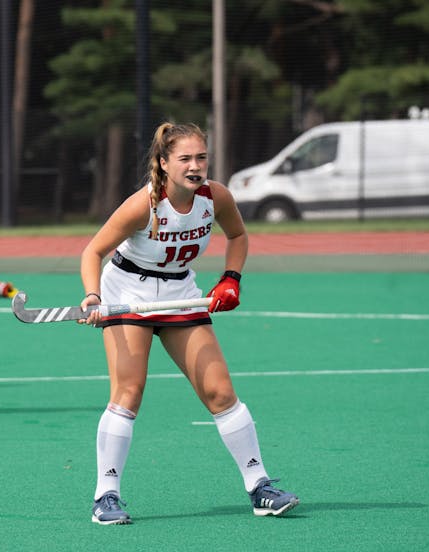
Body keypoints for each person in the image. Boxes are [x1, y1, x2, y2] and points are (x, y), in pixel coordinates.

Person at [78, 122, 299, 524]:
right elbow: (93, 251)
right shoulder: (142, 205)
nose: (196, 166)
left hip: (181, 294)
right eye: (185, 159)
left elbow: (238, 236)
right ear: (163, 164)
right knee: (129, 391)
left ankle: (259, 486)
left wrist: (231, 277)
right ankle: (105, 496)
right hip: (129, 294)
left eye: (201, 157)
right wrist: (94, 296)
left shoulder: (215, 197)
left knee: (219, 391)